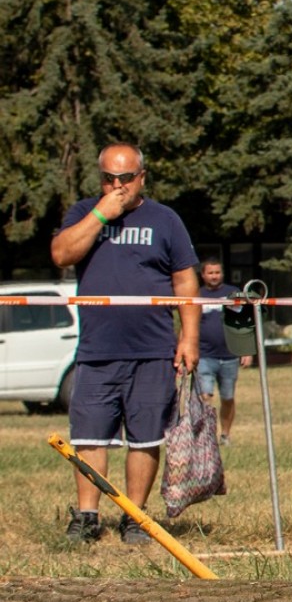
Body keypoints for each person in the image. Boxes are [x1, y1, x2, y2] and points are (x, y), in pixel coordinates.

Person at [49, 144, 199, 545]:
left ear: (142, 177)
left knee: (146, 437)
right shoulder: (84, 212)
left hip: (152, 350)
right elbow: (62, 254)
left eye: (125, 178)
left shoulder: (165, 220)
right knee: (90, 436)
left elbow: (185, 282)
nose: (117, 186)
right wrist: (102, 214)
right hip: (98, 350)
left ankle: (135, 517)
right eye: (109, 179)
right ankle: (86, 516)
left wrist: (189, 336)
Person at [194, 258, 251, 446]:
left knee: (227, 398)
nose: (214, 276)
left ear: (222, 273)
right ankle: (206, 435)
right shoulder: (196, 294)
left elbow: (243, 322)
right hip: (204, 355)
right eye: (210, 273)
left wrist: (246, 350)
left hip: (229, 356)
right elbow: (188, 325)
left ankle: (225, 434)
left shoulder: (232, 294)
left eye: (217, 272)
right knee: (205, 397)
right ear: (203, 274)